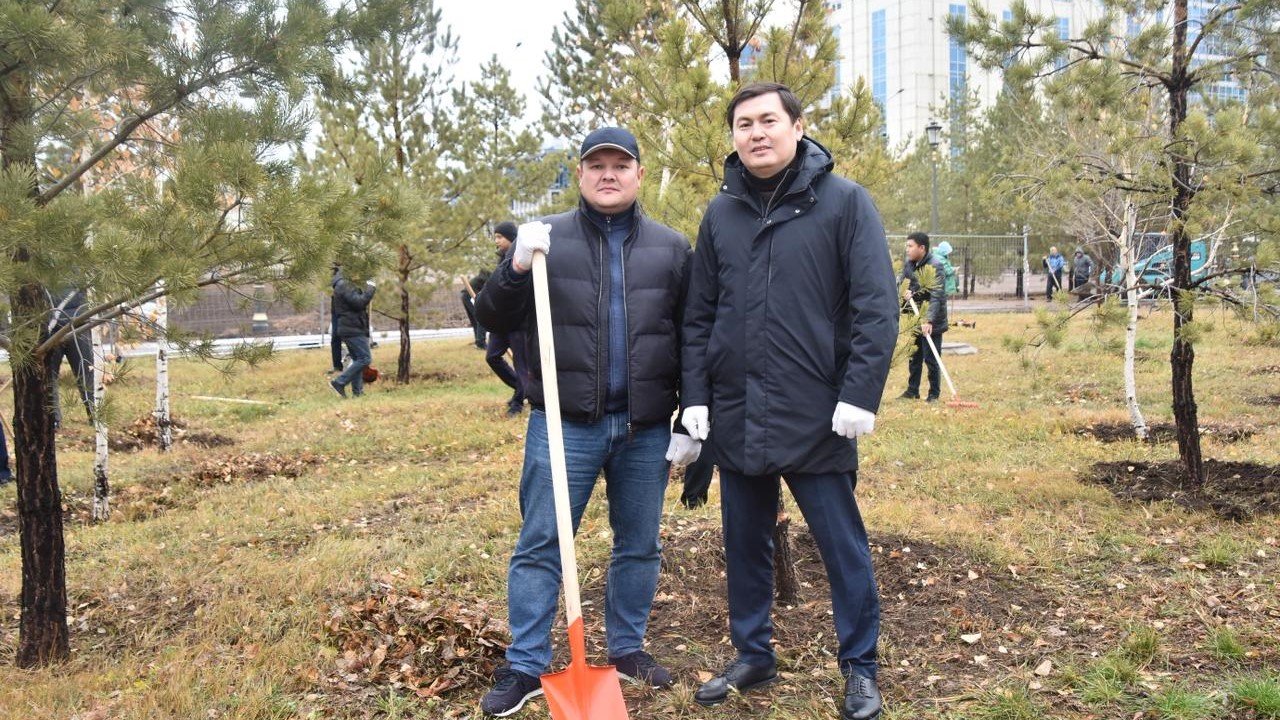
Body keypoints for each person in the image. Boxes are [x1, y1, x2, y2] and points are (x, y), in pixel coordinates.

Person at [681, 82, 898, 720]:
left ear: (798, 127)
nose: (757, 133)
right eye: (744, 123)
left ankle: (860, 666)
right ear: (733, 137)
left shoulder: (845, 204)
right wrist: (694, 397)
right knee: (745, 544)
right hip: (738, 413)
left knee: (841, 547)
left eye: (769, 120)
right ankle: (754, 653)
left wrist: (860, 393)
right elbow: (700, 316)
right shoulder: (720, 214)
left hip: (819, 415)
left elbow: (875, 309)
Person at [473, 126, 700, 717]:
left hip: (645, 426)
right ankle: (525, 662)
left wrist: (691, 411)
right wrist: (516, 265)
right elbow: (492, 315)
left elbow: (694, 336)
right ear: (579, 175)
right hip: (564, 423)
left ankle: (625, 649)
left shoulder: (672, 249)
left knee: (640, 544)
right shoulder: (547, 241)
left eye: (620, 165)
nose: (608, 174)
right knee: (543, 542)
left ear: (639, 174)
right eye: (595, 165)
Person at [484, 222, 530, 417]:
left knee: (521, 364)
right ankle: (524, 389)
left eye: (500, 237)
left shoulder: (522, 258)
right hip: (500, 319)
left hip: (518, 321)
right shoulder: (500, 260)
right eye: (495, 237)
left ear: (511, 238)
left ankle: (518, 402)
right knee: (492, 356)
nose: (496, 241)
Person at [899, 232, 949, 403]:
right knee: (914, 356)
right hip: (915, 317)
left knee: (931, 358)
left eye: (910, 246)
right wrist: (903, 292)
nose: (907, 249)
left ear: (922, 248)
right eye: (907, 246)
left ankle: (934, 394)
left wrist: (929, 320)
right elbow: (903, 284)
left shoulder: (936, 265)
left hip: (931, 320)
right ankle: (912, 391)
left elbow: (937, 295)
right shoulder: (909, 264)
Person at [45, 287, 95, 429]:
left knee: (85, 373)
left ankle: (94, 415)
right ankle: (53, 419)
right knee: (50, 375)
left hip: (77, 325)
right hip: (52, 327)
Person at [327, 269, 375, 398]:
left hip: (353, 327)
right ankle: (339, 382)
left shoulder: (344, 284)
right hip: (352, 328)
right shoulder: (344, 284)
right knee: (365, 358)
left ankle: (357, 393)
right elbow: (359, 303)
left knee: (357, 360)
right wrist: (371, 288)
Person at [461, 267, 490, 349]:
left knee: (476, 319)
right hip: (469, 296)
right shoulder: (484, 277)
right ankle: (481, 343)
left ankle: (478, 340)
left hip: (465, 296)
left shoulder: (481, 277)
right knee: (481, 318)